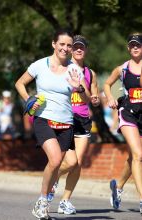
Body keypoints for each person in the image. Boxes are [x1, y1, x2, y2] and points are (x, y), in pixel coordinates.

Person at [15, 28, 91, 220]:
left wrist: (79, 87)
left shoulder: (75, 69)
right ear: (54, 44)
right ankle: (42, 201)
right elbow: (20, 83)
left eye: (69, 45)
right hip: (43, 119)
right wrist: (29, 99)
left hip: (66, 122)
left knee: (63, 164)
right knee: (56, 160)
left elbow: (87, 99)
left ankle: (45, 200)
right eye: (62, 44)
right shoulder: (40, 65)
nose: (65, 48)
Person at [47, 35, 100, 214]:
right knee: (70, 162)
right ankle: (54, 178)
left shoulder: (90, 73)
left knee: (77, 163)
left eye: (81, 47)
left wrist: (95, 99)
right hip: (66, 119)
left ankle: (65, 201)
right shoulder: (63, 68)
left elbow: (94, 97)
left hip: (83, 120)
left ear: (85, 50)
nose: (78, 50)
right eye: (75, 47)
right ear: (70, 50)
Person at [104, 32, 142, 214]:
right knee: (139, 155)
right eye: (132, 45)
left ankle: (117, 187)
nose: (135, 47)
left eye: (139, 45)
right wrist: (110, 97)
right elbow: (106, 85)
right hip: (128, 112)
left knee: (134, 156)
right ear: (128, 48)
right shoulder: (122, 69)